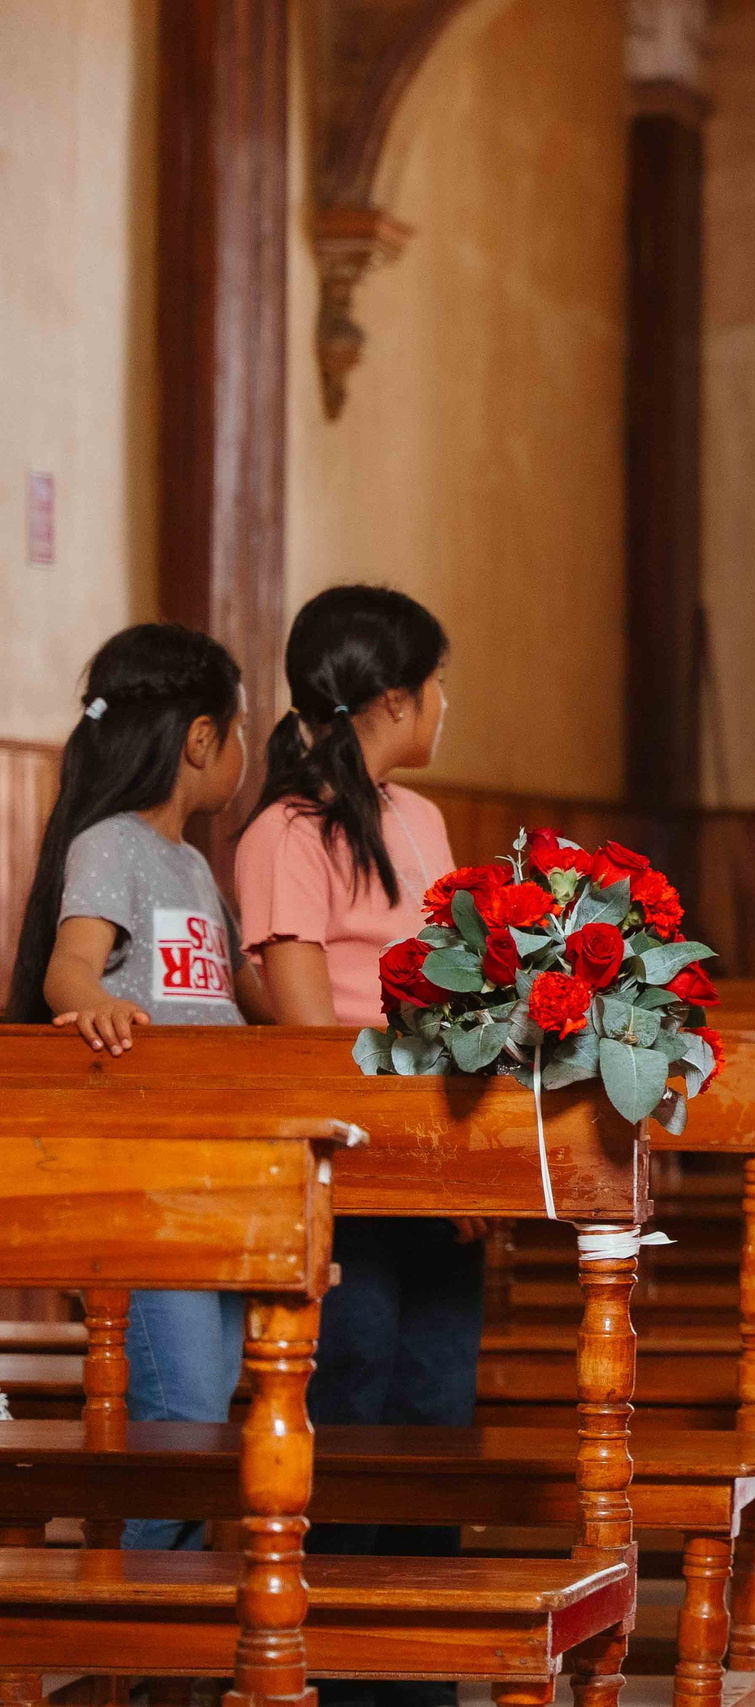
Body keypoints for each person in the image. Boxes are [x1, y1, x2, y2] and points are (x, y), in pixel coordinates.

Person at [232, 585, 467, 1707]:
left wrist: (467, 1164)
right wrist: (396, 1148)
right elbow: (302, 1031)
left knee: (438, 1416)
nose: (446, 703)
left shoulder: (421, 821)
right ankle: (335, 1679)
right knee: (355, 1408)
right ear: (394, 699)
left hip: (439, 1162)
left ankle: (421, 1678)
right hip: (345, 1170)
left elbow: (464, 998)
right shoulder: (287, 834)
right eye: (438, 683)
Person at [4, 624, 267, 1547]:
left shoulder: (191, 862)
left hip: (218, 1169)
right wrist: (96, 1008)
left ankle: (171, 1623)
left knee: (207, 1413)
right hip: (151, 1174)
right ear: (200, 739)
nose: (243, 749)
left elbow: (247, 997)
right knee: (179, 1411)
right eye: (239, 729)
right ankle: (141, 1616)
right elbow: (68, 969)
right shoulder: (111, 843)